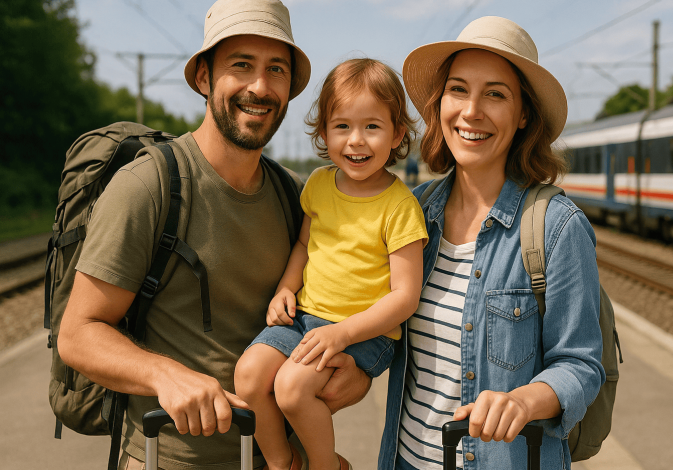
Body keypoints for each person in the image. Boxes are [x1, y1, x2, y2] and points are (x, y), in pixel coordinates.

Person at [58, 1, 372, 469]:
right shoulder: (151, 186)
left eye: (276, 70)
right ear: (204, 78)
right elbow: (78, 335)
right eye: (240, 65)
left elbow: (339, 304)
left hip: (275, 458)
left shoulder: (296, 196)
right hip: (167, 459)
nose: (260, 87)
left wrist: (358, 371)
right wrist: (166, 375)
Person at [378, 16, 606, 470]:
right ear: (439, 103)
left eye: (495, 94)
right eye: (458, 89)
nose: (471, 111)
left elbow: (581, 365)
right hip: (406, 459)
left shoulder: (557, 227)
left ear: (523, 115)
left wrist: (524, 400)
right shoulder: (412, 213)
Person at [234, 58, 428, 470]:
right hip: (307, 318)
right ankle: (283, 462)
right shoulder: (320, 184)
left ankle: (326, 465)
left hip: (363, 333)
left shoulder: (399, 206)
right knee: (249, 375)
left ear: (397, 135)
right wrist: (286, 288)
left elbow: (405, 297)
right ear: (323, 132)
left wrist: (342, 334)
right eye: (342, 126)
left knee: (290, 388)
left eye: (372, 127)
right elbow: (305, 243)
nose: (356, 141)